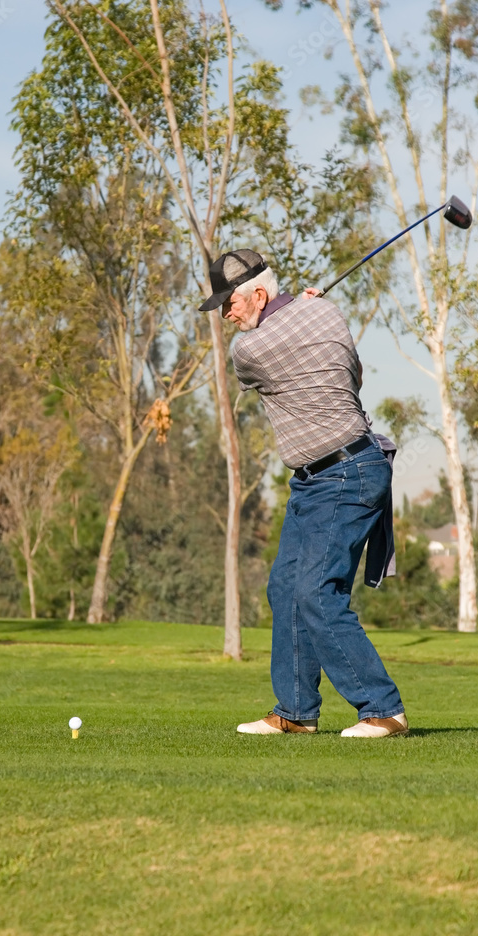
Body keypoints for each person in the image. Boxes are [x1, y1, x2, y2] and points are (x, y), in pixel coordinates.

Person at [199, 249, 407, 738]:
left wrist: (297, 314)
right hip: (319, 477)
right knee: (286, 589)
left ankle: (384, 709)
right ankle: (295, 711)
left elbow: (272, 355)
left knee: (317, 591)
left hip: (345, 473)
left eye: (230, 302)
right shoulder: (327, 312)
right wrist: (308, 310)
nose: (226, 314)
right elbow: (352, 376)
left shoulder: (247, 352)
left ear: (258, 293)